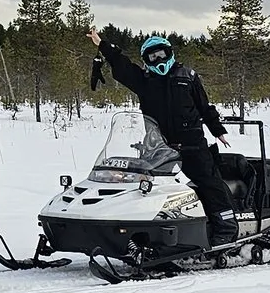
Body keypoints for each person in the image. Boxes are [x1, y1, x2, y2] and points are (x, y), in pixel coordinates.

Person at [92, 29, 240, 245]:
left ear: (169, 53)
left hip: (192, 145)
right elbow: (122, 65)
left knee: (209, 182)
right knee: (142, 184)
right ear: (147, 60)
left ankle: (226, 227)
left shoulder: (188, 77)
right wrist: (103, 46)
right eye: (153, 57)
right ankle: (144, 226)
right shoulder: (144, 81)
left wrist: (217, 130)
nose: (158, 59)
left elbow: (204, 106)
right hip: (158, 146)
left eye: (161, 54)